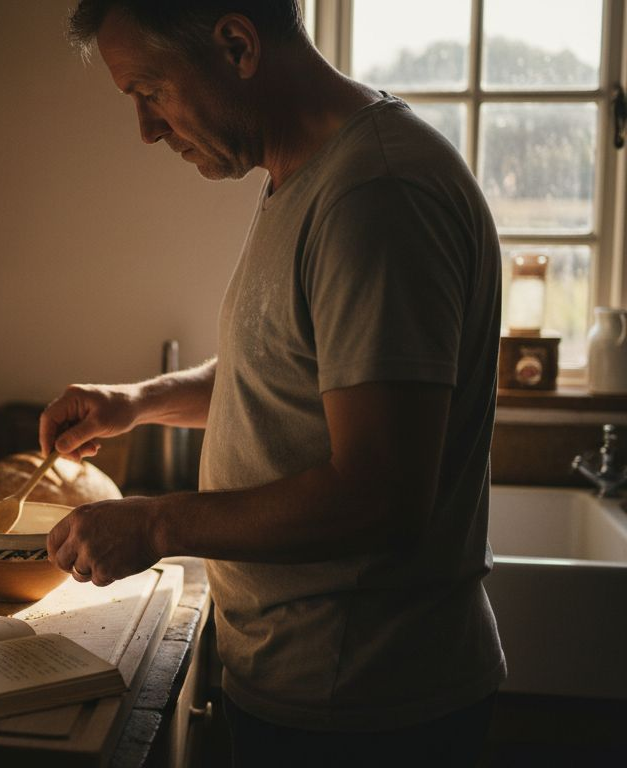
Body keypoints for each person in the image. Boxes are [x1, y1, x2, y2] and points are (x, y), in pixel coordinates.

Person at [40, 1, 505, 765]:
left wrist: (156, 525)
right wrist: (139, 403)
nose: (147, 129)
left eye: (150, 90)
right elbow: (292, 371)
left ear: (236, 44)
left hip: (365, 709)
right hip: (309, 686)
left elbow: (382, 495)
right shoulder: (309, 174)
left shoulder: (376, 195)